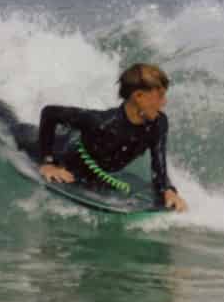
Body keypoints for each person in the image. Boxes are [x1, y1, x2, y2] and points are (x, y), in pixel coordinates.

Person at [9, 63, 187, 212]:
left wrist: (167, 190)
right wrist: (48, 163)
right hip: (59, 149)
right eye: (160, 95)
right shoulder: (102, 122)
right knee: (11, 125)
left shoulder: (158, 123)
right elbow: (49, 113)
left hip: (92, 171)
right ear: (139, 96)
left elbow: (158, 160)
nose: (164, 102)